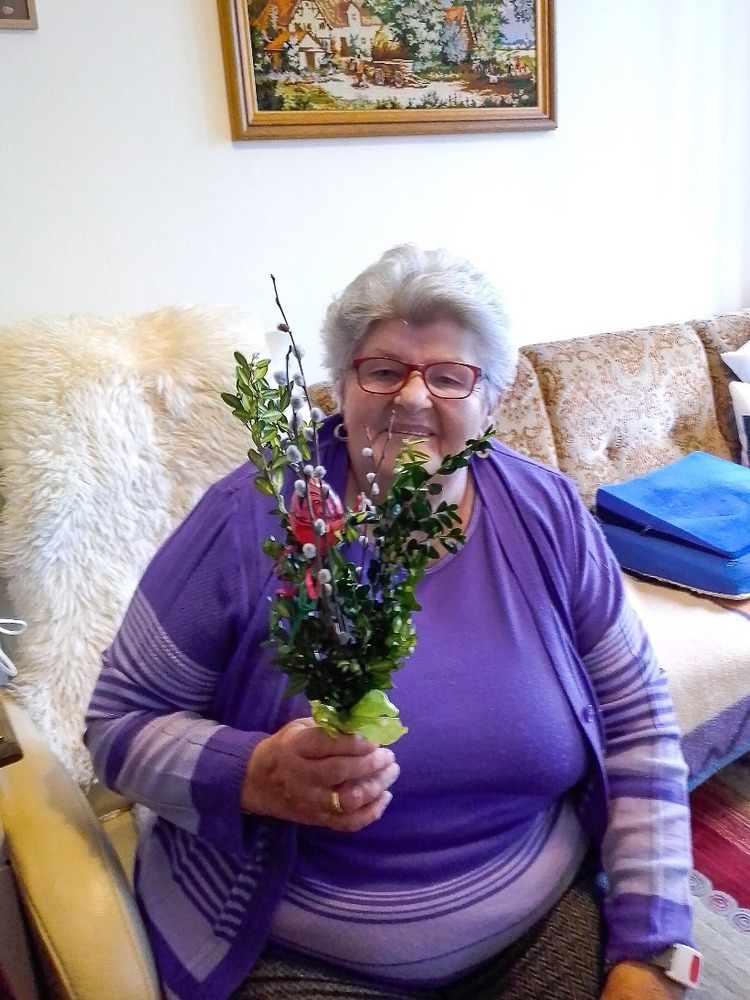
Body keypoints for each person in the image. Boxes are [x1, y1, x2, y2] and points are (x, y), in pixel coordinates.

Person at [85, 245, 697, 1000]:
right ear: (341, 387)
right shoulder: (250, 519)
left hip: (537, 927)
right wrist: (253, 773)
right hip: (298, 952)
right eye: (381, 370)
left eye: (448, 376)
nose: (411, 397)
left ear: (492, 401)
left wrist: (651, 947)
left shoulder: (548, 513)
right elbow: (116, 724)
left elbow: (639, 724)